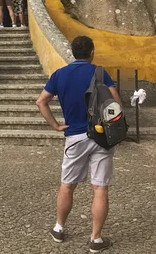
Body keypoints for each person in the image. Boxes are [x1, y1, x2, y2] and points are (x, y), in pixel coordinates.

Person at [36, 36, 121, 252]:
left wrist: (55, 125)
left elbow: (41, 101)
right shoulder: (100, 73)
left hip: (74, 136)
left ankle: (59, 228)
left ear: (73, 52)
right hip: (101, 136)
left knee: (67, 184)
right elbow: (116, 104)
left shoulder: (59, 75)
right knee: (100, 188)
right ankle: (96, 239)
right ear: (91, 52)